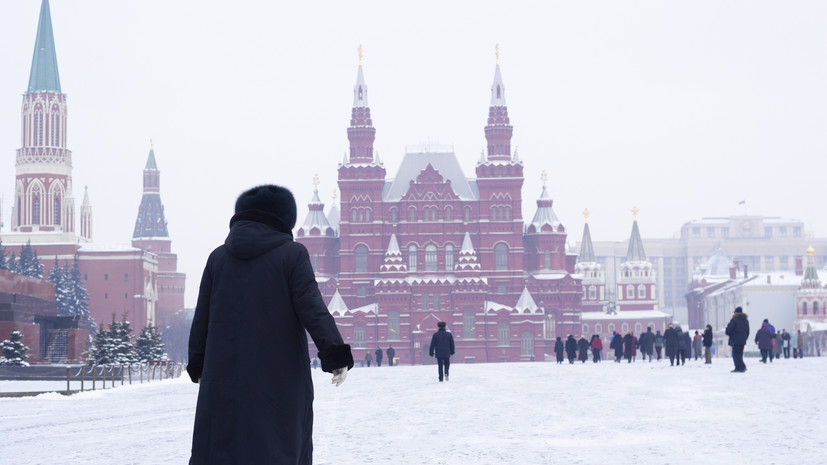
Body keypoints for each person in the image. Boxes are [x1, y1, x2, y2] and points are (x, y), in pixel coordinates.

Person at [187, 184, 354, 465]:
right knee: (277, 445)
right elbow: (312, 308)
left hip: (223, 376)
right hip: (279, 379)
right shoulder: (292, 255)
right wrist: (334, 353)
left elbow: (201, 317)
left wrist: (198, 363)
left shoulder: (218, 258)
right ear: (283, 219)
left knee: (221, 448)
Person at [725, 306, 750, 373]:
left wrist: (729, 332)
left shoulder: (734, 320)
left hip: (735, 340)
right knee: (740, 354)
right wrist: (744, 338)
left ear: (736, 313)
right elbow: (748, 332)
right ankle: (739, 367)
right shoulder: (746, 320)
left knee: (735, 354)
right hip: (742, 341)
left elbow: (728, 330)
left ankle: (741, 367)